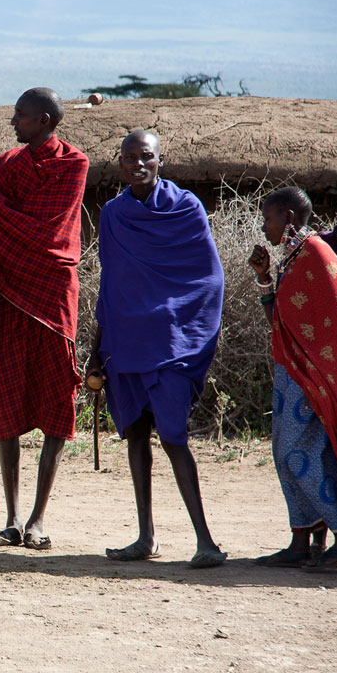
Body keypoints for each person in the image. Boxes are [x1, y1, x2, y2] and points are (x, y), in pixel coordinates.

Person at [88, 129, 226, 568]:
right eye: (129, 158)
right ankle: (145, 536)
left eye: (145, 156)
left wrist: (181, 323)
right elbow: (110, 284)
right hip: (126, 342)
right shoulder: (113, 214)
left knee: (173, 437)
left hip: (171, 342)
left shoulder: (186, 208)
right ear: (121, 164)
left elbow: (208, 278)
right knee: (135, 435)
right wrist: (97, 346)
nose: (137, 164)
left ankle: (205, 541)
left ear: (160, 160)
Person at [0, 87, 88, 550]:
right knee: (9, 400)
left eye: (19, 116)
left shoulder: (72, 165)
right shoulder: (8, 164)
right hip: (12, 296)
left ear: (43, 120)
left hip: (53, 295)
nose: (12, 122)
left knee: (57, 399)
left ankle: (39, 517)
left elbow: (43, 231)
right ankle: (13, 517)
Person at [249, 188, 337, 570]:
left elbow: (334, 320)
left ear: (288, 217)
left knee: (298, 453)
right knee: (284, 455)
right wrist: (264, 278)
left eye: (268, 218)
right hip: (292, 373)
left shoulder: (316, 254)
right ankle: (300, 539)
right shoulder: (293, 256)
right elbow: (280, 324)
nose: (264, 226)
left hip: (312, 376)